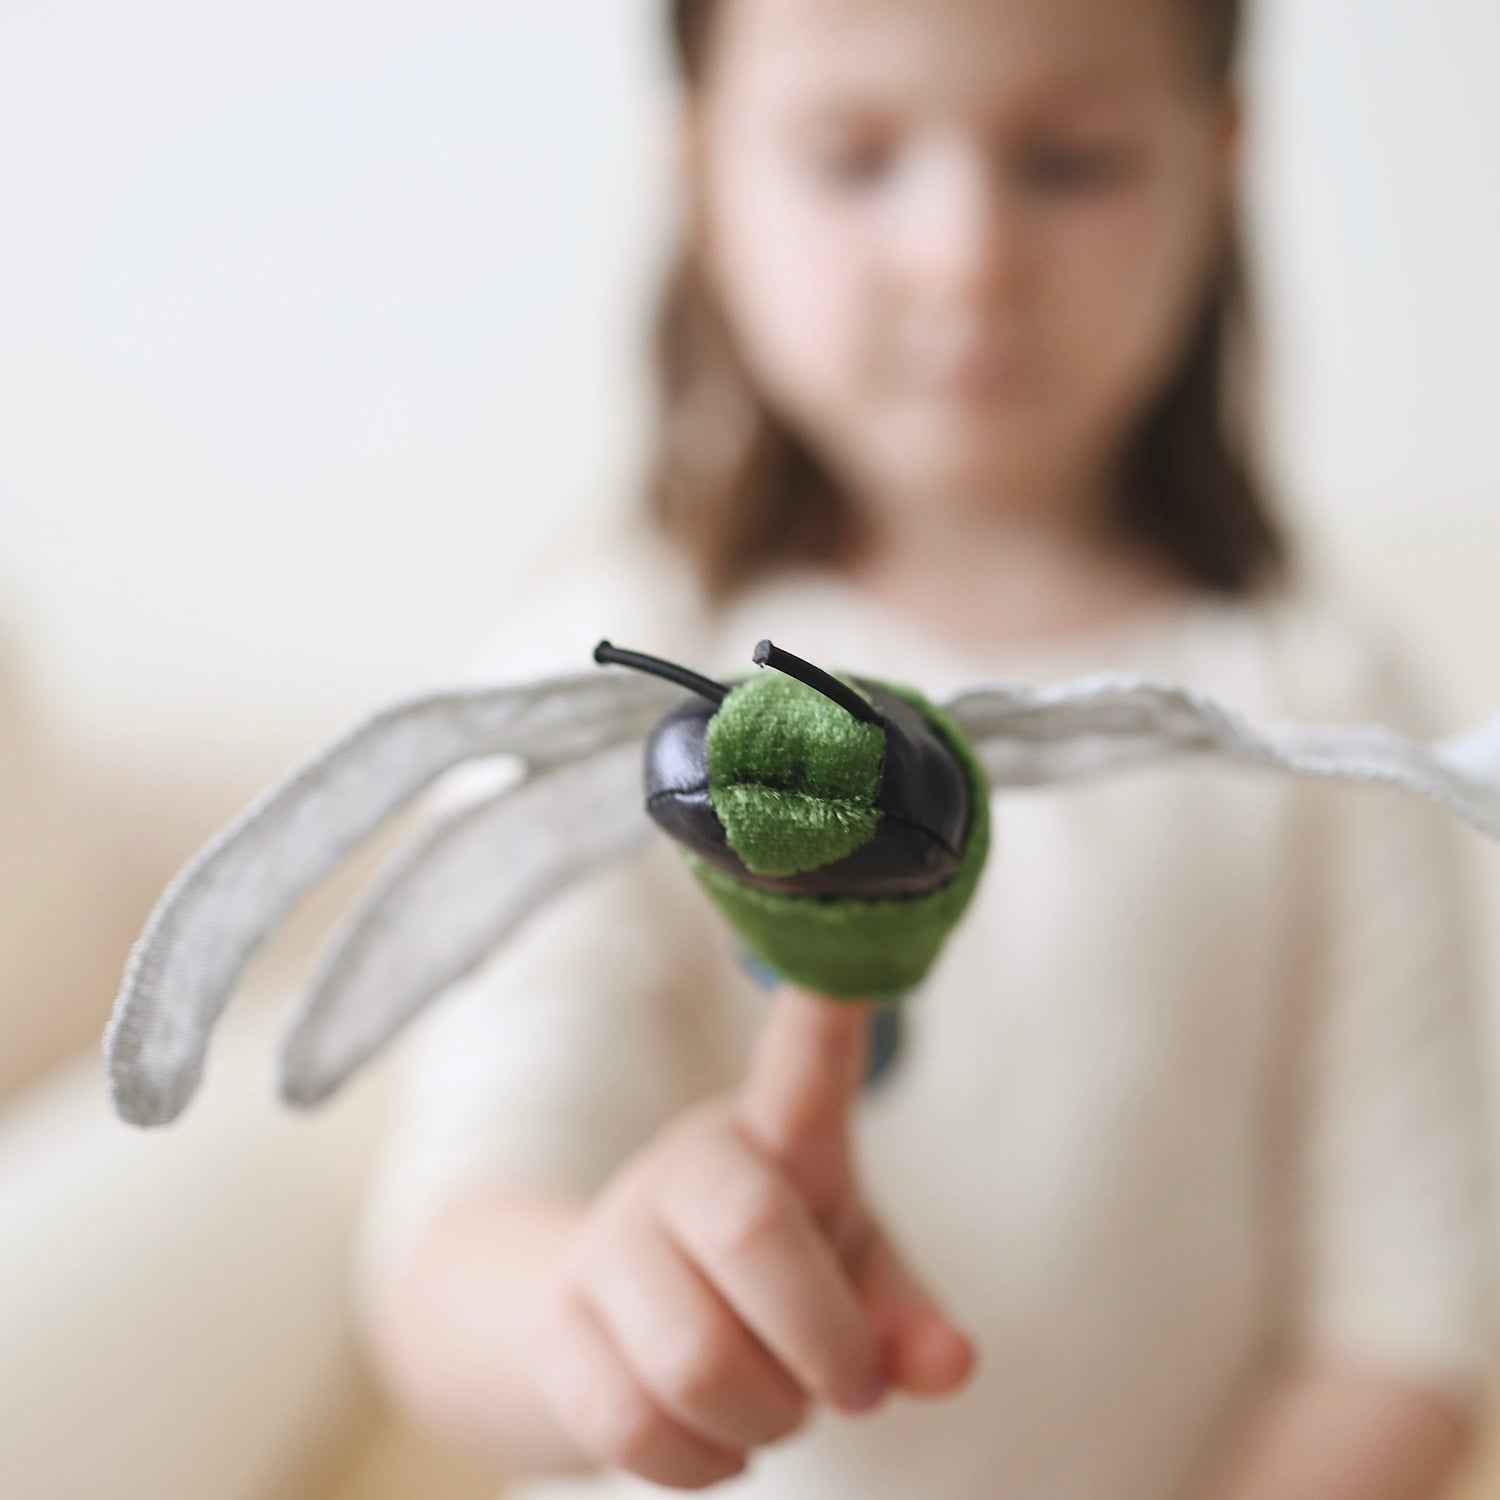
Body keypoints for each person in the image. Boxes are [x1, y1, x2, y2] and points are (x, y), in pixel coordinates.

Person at [348, 0, 1498, 1494]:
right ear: (704, 174)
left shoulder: (1328, 699)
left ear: (1219, 165)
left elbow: (1403, 1318)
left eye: (1071, 160)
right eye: (850, 156)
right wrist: (596, 1320)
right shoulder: (598, 659)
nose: (965, 255)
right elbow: (452, 1244)